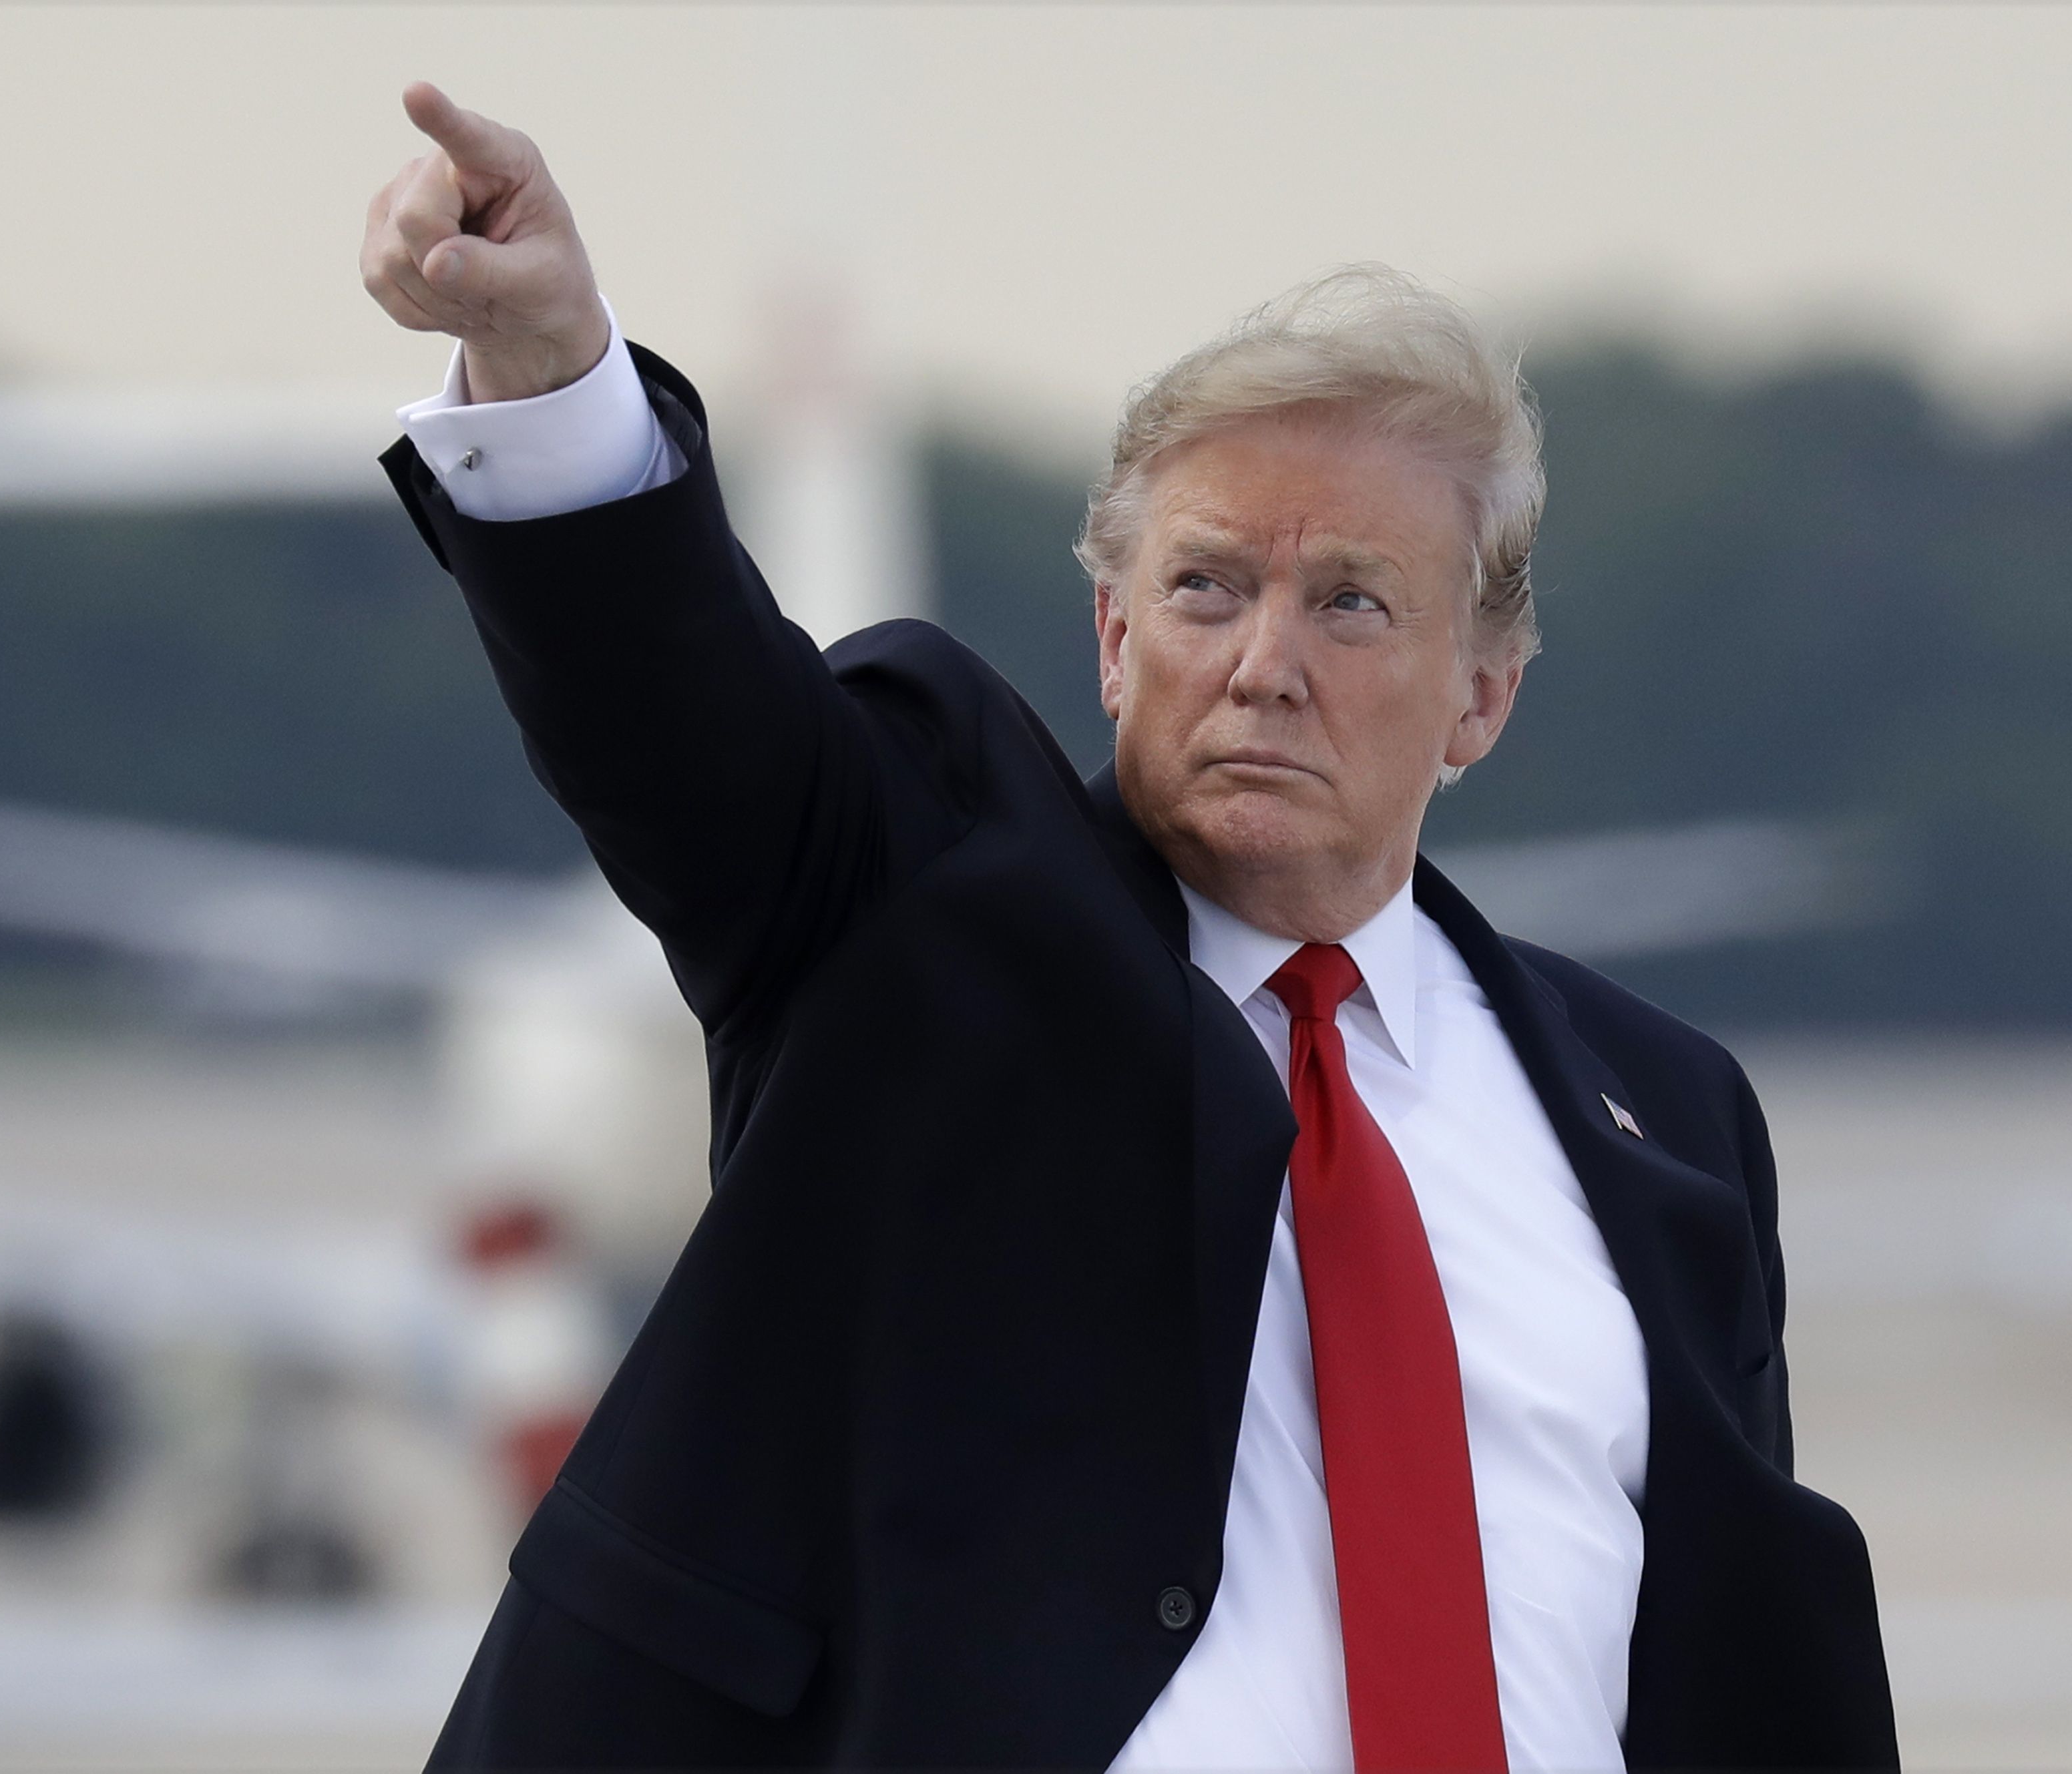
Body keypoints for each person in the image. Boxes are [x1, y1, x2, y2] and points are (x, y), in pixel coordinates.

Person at [362, 81, 1894, 1773]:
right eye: (1205, 587)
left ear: (1483, 695)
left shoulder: (1663, 1112)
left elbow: (1721, 1654)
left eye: (1351, 605)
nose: (1262, 663)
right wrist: (553, 369)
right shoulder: (919, 921)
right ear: (1109, 636)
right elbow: (680, 713)